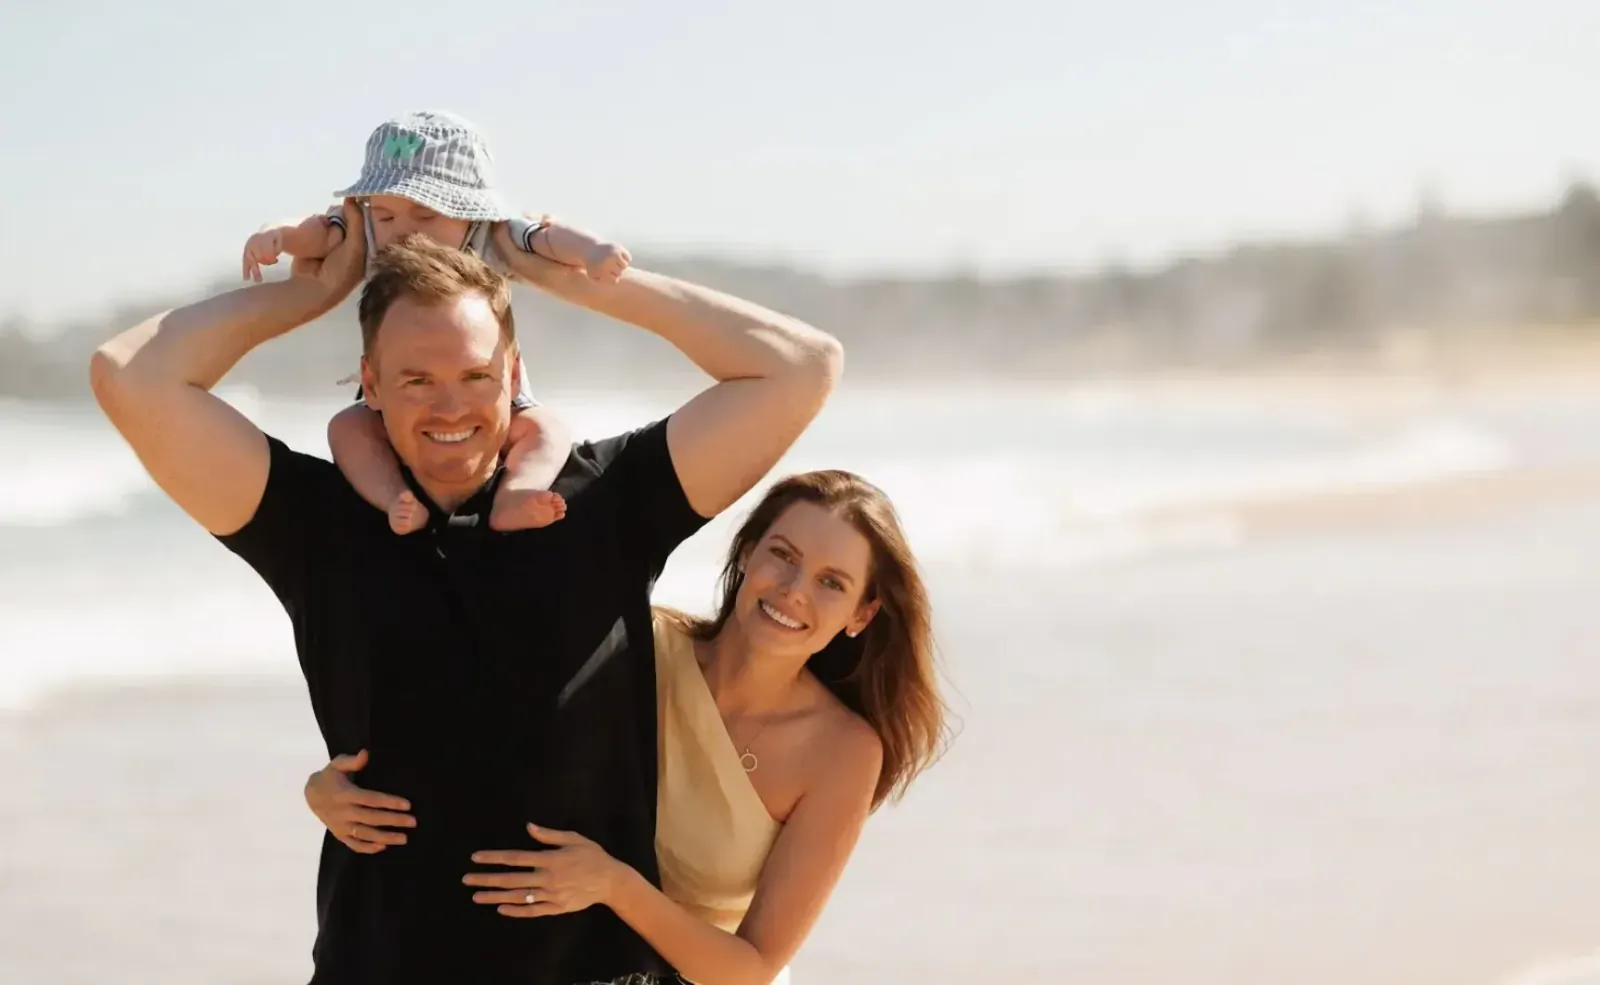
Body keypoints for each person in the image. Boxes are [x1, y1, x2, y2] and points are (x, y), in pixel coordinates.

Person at [89, 207, 843, 983]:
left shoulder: (601, 500)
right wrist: (309, 293)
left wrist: (575, 281)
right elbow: (128, 376)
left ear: (514, 374)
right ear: (370, 383)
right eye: (417, 379)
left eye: (477, 375)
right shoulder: (319, 522)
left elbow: (803, 366)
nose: (451, 407)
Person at [305, 470, 953, 985]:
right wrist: (328, 786)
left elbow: (751, 968)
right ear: (747, 550)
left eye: (831, 582)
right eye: (781, 555)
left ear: (862, 614)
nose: (792, 590)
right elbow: (465, 705)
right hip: (566, 961)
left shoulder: (842, 750)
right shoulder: (637, 643)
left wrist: (614, 884)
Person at [242, 109, 631, 535]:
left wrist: (593, 251)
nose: (403, 230)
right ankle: (393, 498)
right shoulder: (366, 235)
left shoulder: (490, 237)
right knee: (348, 429)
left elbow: (546, 238)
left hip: (491, 388)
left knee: (547, 429)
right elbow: (318, 231)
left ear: (471, 212)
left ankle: (517, 492)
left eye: (425, 216)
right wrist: (276, 235)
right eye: (386, 216)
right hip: (396, 390)